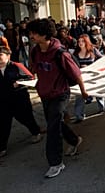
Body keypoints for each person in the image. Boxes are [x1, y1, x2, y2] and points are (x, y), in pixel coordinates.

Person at [27, 18, 88, 178]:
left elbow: (76, 74)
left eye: (34, 33)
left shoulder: (60, 53)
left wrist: (83, 91)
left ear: (44, 34)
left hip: (60, 94)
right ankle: (74, 140)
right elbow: (33, 69)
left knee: (53, 129)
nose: (31, 36)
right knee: (57, 123)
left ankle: (55, 163)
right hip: (45, 94)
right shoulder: (35, 51)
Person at [0, 47, 43, 158]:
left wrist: (19, 82)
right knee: (4, 124)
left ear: (8, 56)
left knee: (26, 118)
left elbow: (31, 78)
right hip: (3, 101)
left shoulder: (16, 66)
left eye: (0, 55)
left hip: (19, 99)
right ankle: (2, 147)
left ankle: (36, 132)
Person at [72, 34, 105, 123]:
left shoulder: (93, 50)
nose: (80, 43)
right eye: (79, 41)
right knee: (79, 96)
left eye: (82, 41)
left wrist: (93, 67)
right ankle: (79, 116)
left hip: (93, 77)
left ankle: (102, 108)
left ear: (86, 42)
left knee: (98, 94)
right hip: (81, 78)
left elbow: (102, 59)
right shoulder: (75, 53)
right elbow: (72, 65)